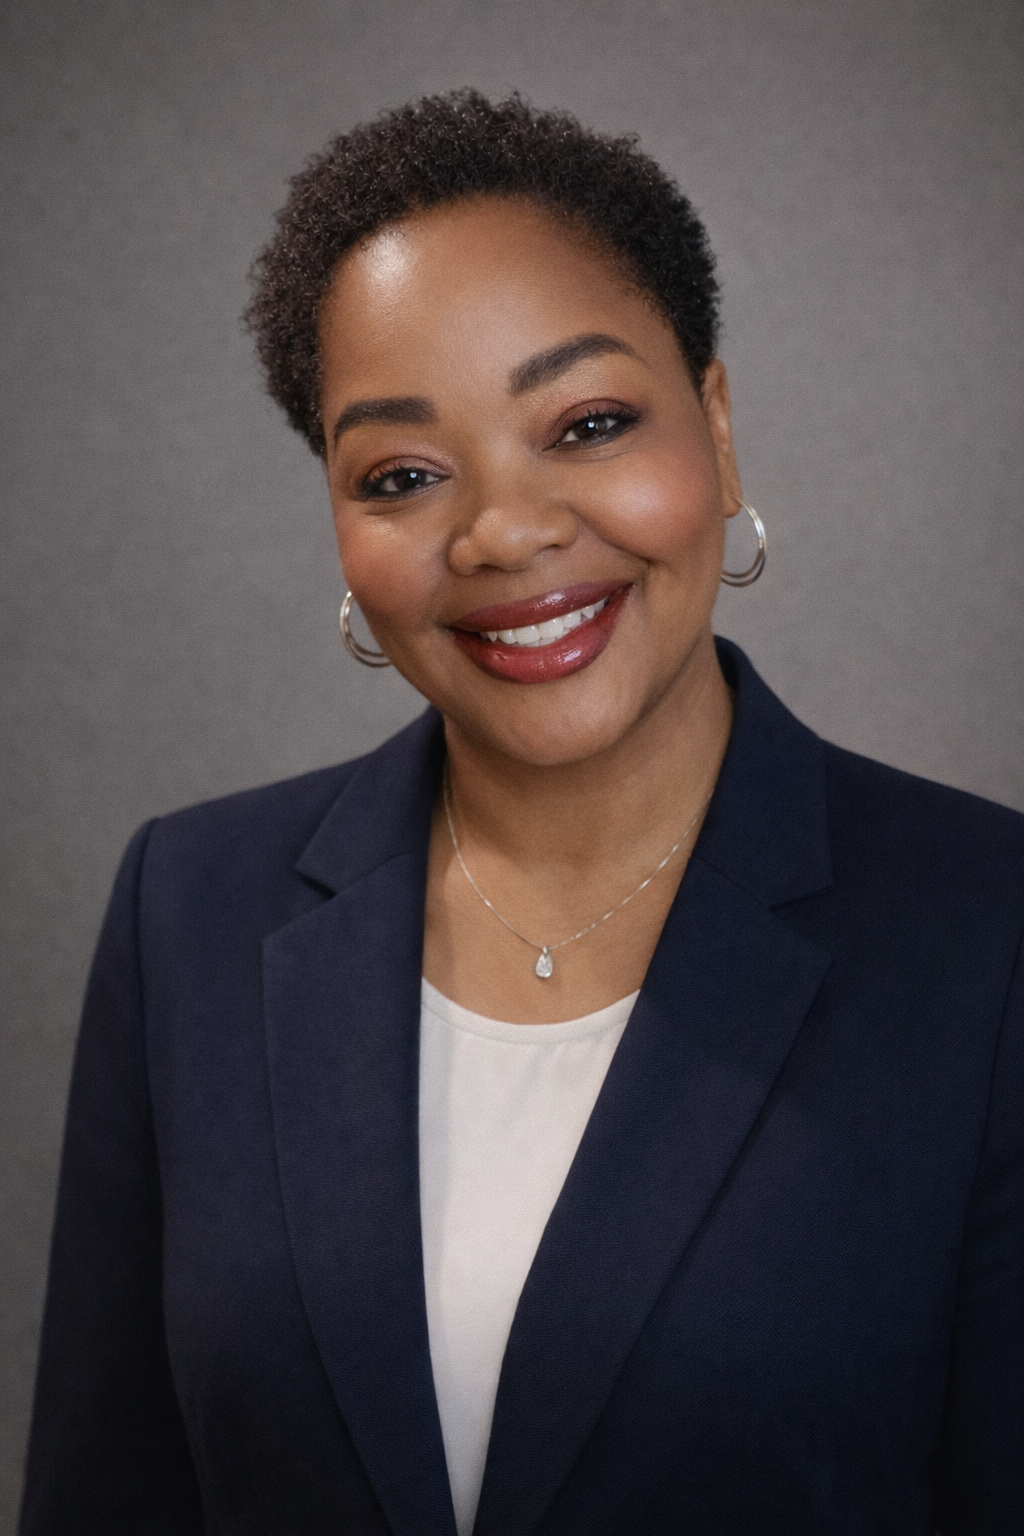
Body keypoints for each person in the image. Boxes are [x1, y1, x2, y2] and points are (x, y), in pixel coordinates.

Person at [19, 91, 1023, 1536]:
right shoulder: (187, 909)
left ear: (718, 430)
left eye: (589, 423)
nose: (502, 530)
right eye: (403, 475)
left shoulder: (988, 932)